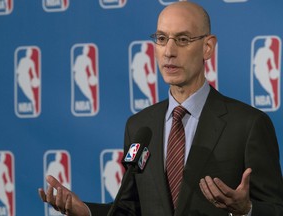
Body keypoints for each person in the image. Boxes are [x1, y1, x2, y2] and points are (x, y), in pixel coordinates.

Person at [38, 1, 283, 215]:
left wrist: (247, 211)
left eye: (183, 39)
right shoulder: (140, 126)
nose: (169, 51)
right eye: (162, 39)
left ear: (207, 47)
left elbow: (275, 208)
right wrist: (88, 212)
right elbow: (130, 208)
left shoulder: (248, 125)